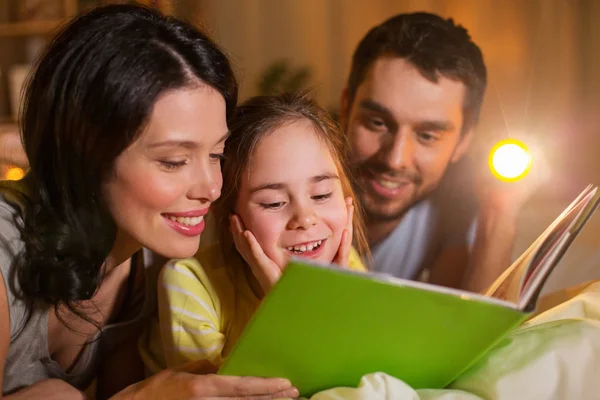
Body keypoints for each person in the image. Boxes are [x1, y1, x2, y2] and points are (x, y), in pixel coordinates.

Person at [0, 4, 297, 399]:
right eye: (174, 161)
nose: (210, 187)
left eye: (216, 155)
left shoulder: (147, 264)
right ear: (86, 151)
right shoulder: (4, 250)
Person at [140, 93, 369, 371]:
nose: (305, 219)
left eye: (321, 195)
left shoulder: (347, 267)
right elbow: (223, 392)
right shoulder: (189, 281)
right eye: (274, 203)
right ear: (230, 221)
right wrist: (285, 306)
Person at [339, 12, 538, 292]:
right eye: (378, 123)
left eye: (427, 136)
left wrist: (500, 210)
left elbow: (469, 328)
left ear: (463, 140)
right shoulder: (286, 185)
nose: (395, 159)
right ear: (346, 107)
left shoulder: (457, 208)